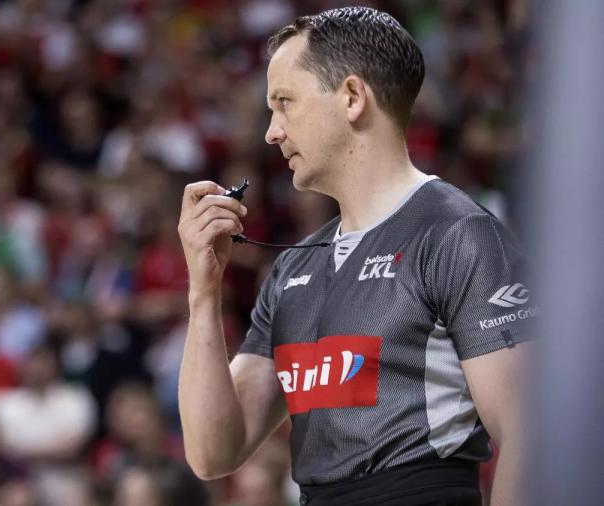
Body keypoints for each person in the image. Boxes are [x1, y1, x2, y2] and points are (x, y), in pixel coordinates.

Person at [177, 7, 530, 506]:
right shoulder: (292, 268)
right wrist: (202, 290)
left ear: (352, 97)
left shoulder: (459, 235)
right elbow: (212, 452)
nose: (272, 132)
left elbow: (528, 434)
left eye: (284, 102)